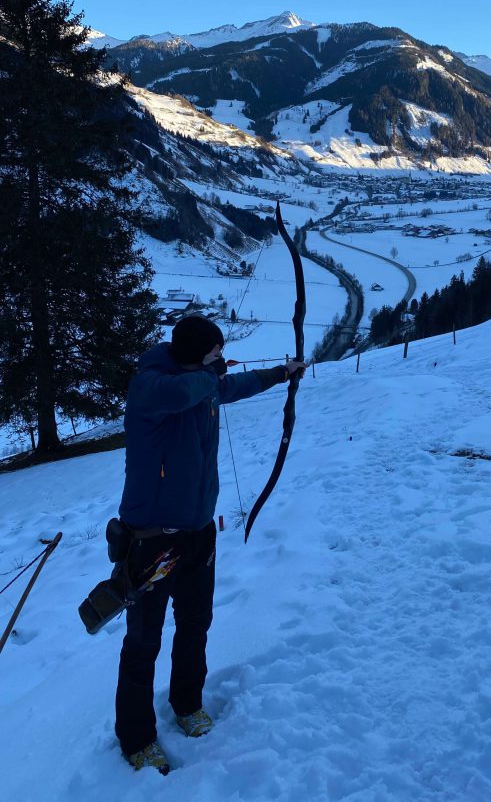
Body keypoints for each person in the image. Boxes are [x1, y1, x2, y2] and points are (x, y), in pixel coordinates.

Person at [115, 314, 305, 774]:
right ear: (196, 355)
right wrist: (209, 373)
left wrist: (282, 374)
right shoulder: (152, 385)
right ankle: (137, 739)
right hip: (152, 540)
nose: (222, 359)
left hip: (199, 532)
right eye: (216, 352)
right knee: (143, 642)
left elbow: (231, 386)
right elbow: (184, 392)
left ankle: (187, 704)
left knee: (195, 624)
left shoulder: (202, 380)